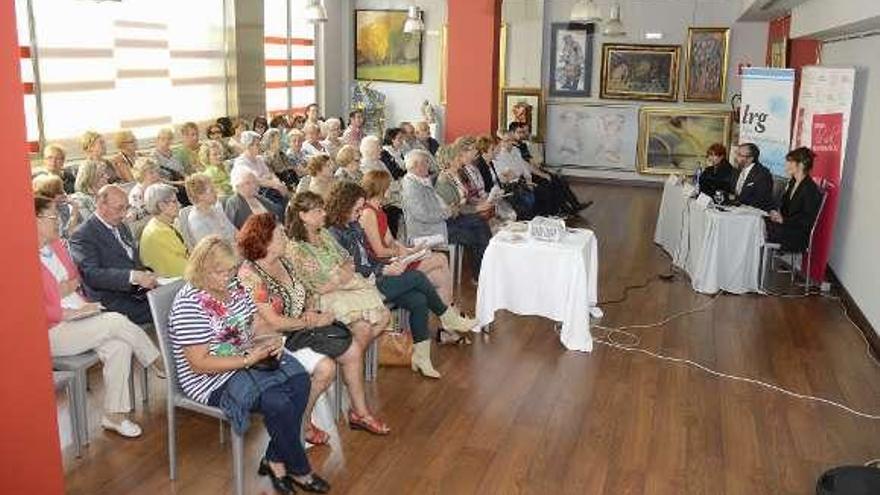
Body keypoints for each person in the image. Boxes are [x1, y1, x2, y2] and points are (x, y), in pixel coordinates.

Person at [167, 237, 330, 494]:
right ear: (201, 269)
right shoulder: (189, 303)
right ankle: (300, 469)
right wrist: (247, 360)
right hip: (211, 378)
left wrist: (272, 339)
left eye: (231, 270)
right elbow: (198, 364)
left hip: (247, 356)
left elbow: (253, 324)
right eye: (220, 272)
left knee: (300, 380)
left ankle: (275, 458)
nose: (227, 277)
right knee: (278, 401)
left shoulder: (235, 285)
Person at [237, 213, 373, 446]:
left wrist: (310, 311)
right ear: (265, 240)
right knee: (326, 368)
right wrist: (312, 321)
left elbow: (306, 292)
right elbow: (274, 321)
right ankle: (303, 420)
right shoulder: (250, 275)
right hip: (271, 342)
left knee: (352, 349)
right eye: (280, 233)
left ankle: (359, 413)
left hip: (297, 330)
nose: (285, 236)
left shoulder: (284, 261)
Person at [36, 195, 163, 439]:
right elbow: (32, 307)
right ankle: (156, 361)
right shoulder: (20, 259)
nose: (58, 221)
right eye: (53, 216)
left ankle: (114, 415)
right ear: (34, 220)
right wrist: (66, 309)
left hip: (79, 316)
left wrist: (65, 294)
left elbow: (76, 280)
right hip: (51, 330)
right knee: (116, 320)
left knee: (119, 345)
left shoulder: (57, 247)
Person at [325, 183, 476, 378]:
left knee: (419, 300)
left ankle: (422, 358)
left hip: (373, 277)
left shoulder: (353, 225)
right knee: (417, 277)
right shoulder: (333, 233)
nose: (360, 212)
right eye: (357, 208)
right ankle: (447, 316)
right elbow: (351, 269)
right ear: (344, 206)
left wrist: (390, 263)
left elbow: (368, 258)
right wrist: (384, 269)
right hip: (360, 286)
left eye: (361, 207)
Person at [285, 192, 391, 434]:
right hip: (321, 302)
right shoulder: (296, 248)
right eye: (318, 210)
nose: (324, 214)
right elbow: (318, 285)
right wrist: (339, 276)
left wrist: (338, 275)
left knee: (378, 320)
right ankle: (358, 407)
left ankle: (350, 377)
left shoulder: (323, 234)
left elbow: (348, 261)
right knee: (363, 330)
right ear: (303, 216)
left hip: (345, 291)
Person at [360, 168, 455, 305]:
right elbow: (379, 251)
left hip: (394, 258)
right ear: (381, 189)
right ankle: (450, 315)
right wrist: (402, 252)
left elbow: (390, 241)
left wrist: (411, 250)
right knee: (440, 258)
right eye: (388, 186)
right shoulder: (368, 213)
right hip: (384, 266)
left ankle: (448, 317)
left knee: (440, 277)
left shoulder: (379, 210)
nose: (391, 189)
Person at [68, 185, 158, 325]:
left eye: (126, 208)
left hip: (136, 293)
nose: (123, 214)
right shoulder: (83, 235)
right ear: (101, 205)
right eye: (119, 208)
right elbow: (92, 275)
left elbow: (131, 261)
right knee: (166, 307)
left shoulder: (121, 226)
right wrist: (133, 276)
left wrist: (146, 273)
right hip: (111, 300)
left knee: (174, 297)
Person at [435, 145, 493, 279]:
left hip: (461, 216)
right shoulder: (444, 180)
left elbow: (465, 199)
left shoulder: (458, 175)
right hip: (451, 220)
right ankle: (482, 273)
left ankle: (482, 273)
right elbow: (455, 209)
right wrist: (477, 208)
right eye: (458, 157)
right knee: (480, 225)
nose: (461, 160)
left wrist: (478, 203)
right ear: (449, 160)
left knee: (480, 228)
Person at [509, 122, 588, 215]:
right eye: (519, 132)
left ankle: (570, 205)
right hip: (526, 174)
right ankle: (564, 208)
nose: (522, 135)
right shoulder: (513, 148)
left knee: (559, 180)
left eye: (523, 132)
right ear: (511, 133)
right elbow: (525, 165)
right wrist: (543, 173)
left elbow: (531, 161)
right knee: (551, 181)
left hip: (533, 170)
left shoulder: (522, 145)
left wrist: (543, 170)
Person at [766, 147, 823, 252]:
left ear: (801, 165)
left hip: (797, 234)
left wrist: (784, 220)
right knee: (760, 223)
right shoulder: (793, 182)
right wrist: (777, 214)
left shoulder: (810, 189)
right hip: (786, 227)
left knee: (760, 230)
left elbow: (806, 220)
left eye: (790, 162)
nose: (786, 165)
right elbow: (786, 208)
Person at [232, 130, 288, 213]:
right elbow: (255, 181)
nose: (260, 147)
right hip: (253, 195)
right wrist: (275, 184)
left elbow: (270, 174)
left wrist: (278, 183)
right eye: (257, 145)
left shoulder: (259, 159)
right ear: (248, 146)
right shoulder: (241, 163)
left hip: (267, 189)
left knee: (287, 200)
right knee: (278, 208)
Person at [139, 184, 188, 278]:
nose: (179, 204)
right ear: (162, 206)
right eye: (174, 202)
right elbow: (182, 269)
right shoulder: (156, 233)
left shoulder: (165, 225)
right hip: (174, 284)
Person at [361, 135, 404, 238]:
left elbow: (390, 181)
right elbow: (381, 186)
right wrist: (399, 185)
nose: (381, 149)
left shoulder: (380, 163)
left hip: (392, 196)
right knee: (395, 211)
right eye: (378, 147)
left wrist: (398, 185)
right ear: (370, 150)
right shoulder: (364, 167)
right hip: (382, 201)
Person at [184, 173, 237, 245]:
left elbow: (233, 231)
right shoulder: (196, 221)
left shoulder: (216, 207)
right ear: (200, 196)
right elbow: (214, 249)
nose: (216, 192)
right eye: (211, 190)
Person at [33, 174, 81, 239]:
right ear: (49, 194)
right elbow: (65, 237)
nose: (64, 194)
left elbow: (68, 234)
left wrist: (75, 209)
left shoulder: (63, 207)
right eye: (60, 192)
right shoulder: (43, 213)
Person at [732, 142, 774, 211]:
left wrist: (736, 200)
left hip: (753, 213)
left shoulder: (762, 174)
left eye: (739, 155)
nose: (736, 157)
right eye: (736, 153)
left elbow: (760, 200)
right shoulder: (737, 170)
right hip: (735, 210)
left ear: (750, 158)